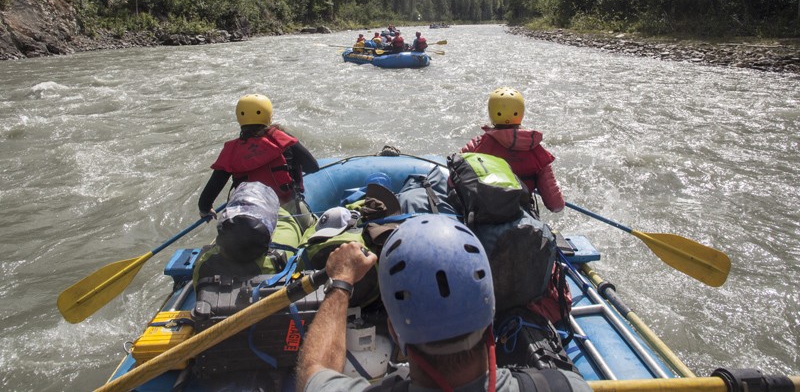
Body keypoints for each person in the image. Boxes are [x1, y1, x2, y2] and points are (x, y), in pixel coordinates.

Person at [296, 214, 590, 391]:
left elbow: (315, 369)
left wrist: (341, 282)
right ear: (491, 312)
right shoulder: (567, 386)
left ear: (395, 332)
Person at [198, 94, 319, 230]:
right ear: (268, 115)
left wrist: (205, 209)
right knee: (312, 229)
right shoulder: (282, 140)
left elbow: (209, 194)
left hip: (246, 212)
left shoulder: (231, 151)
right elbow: (313, 167)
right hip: (286, 205)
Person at [461, 87, 564, 213]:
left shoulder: (476, 146)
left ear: (491, 112)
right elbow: (556, 205)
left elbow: (454, 178)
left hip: (484, 215)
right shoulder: (536, 151)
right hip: (521, 215)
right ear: (521, 113)